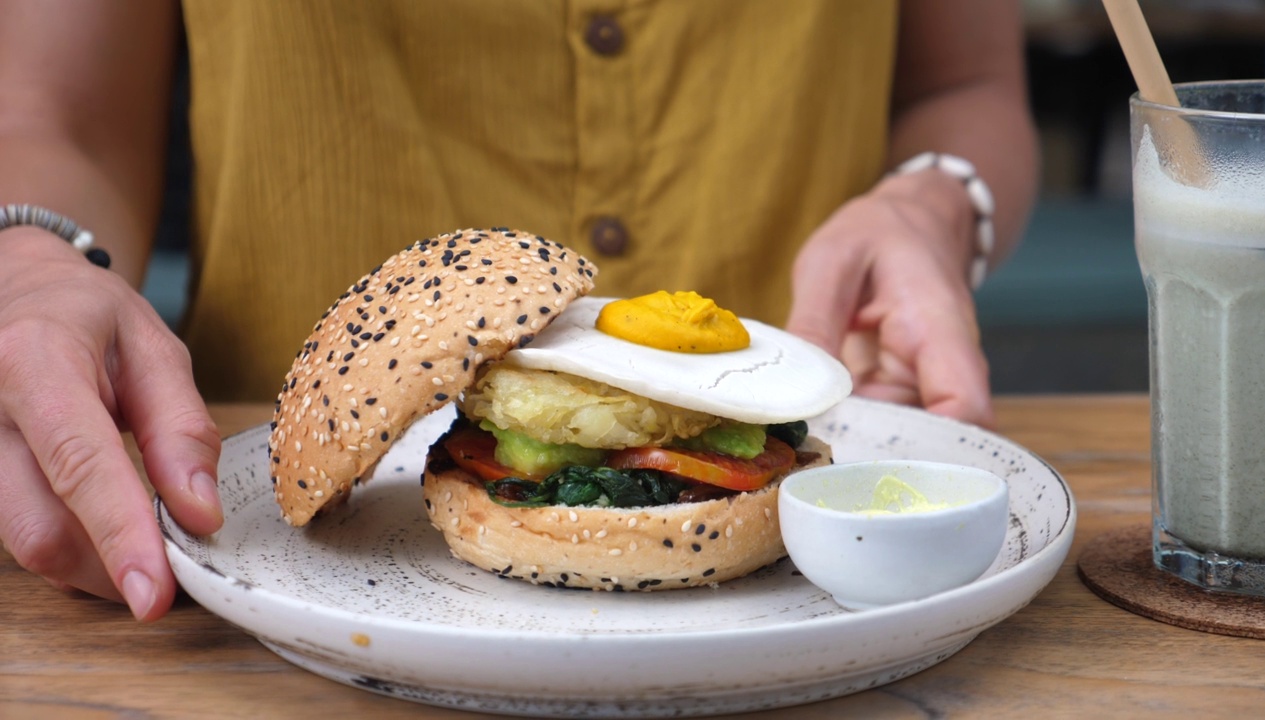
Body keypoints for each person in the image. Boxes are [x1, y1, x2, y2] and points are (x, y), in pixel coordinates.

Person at [0, 0, 1037, 621]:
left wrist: (933, 201)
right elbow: (63, 114)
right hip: (256, 575)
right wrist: (31, 262)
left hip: (798, 429)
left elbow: (965, 81)